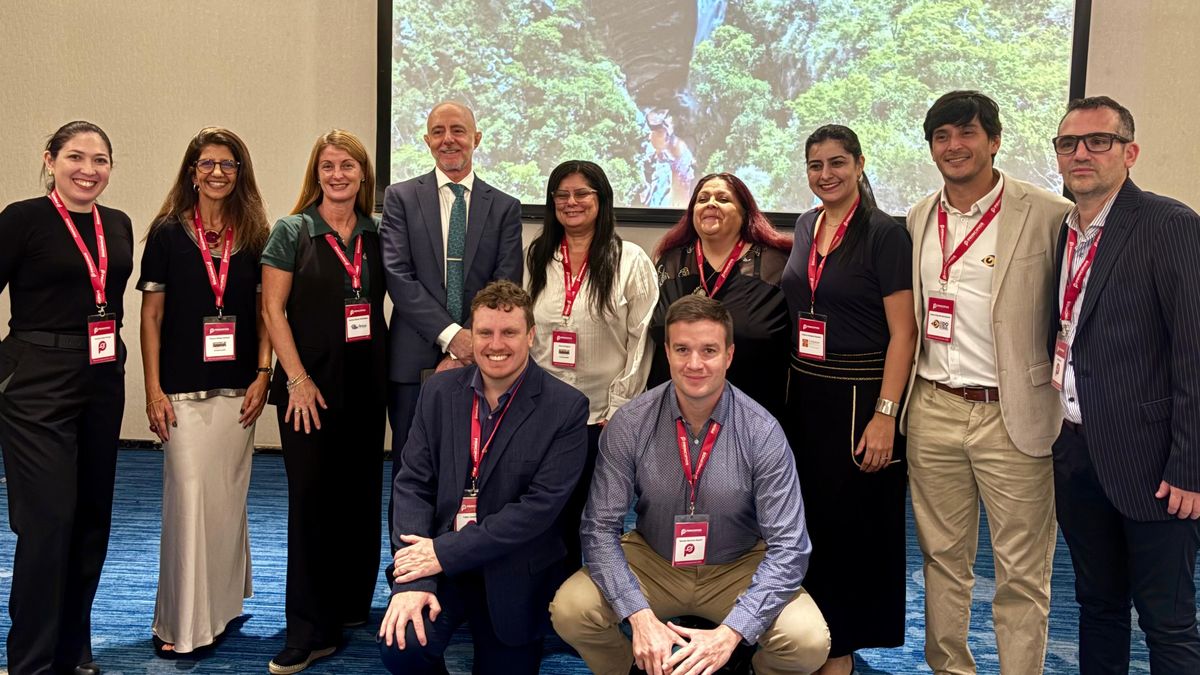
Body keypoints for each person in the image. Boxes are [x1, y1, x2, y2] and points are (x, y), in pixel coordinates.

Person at [551, 295, 831, 675]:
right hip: (654, 559)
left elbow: (790, 548)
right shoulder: (631, 423)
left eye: (709, 350)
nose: (694, 363)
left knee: (808, 642)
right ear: (666, 352)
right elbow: (599, 528)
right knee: (570, 611)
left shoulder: (762, 432)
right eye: (682, 349)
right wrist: (638, 616)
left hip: (737, 564)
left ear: (729, 355)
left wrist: (733, 632)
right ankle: (635, 667)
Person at [902, 91, 1071, 675]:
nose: (954, 146)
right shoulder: (920, 215)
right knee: (942, 560)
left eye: (967, 133)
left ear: (994, 140)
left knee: (1022, 570)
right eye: (942, 136)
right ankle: (950, 668)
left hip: (1015, 413)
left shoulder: (1048, 212)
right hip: (934, 407)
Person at [1049, 96, 1200, 673]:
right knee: (1097, 605)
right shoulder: (1062, 232)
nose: (1081, 153)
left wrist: (1189, 465)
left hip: (1156, 462)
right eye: (1068, 144)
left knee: (1168, 621)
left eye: (1098, 142)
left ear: (1129, 153)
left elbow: (1193, 352)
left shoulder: (1169, 224)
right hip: (1078, 450)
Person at [378, 280, 589, 674]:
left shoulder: (566, 409)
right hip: (440, 565)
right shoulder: (438, 391)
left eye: (509, 332)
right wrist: (412, 580)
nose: (496, 344)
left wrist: (444, 552)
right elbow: (412, 484)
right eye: (485, 333)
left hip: (513, 569)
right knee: (402, 645)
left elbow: (538, 510)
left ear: (530, 335)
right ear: (470, 336)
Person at [780, 124, 916, 675]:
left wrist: (886, 417)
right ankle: (808, 639)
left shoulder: (885, 234)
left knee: (850, 530)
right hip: (805, 395)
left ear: (859, 165)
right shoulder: (807, 225)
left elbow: (904, 334)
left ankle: (840, 650)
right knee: (804, 522)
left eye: (837, 163)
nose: (826, 175)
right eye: (815, 165)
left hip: (861, 399)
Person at [0, 121, 134, 675]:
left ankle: (72, 648)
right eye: (75, 157)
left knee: (90, 518)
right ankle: (30, 660)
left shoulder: (118, 224)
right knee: (47, 520)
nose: (88, 169)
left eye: (100, 160)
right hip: (36, 380)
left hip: (102, 376)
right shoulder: (22, 219)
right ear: (49, 159)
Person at [137, 127, 272, 657]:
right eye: (207, 163)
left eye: (229, 164)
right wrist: (152, 390)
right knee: (190, 497)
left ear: (241, 173)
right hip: (182, 393)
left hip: (239, 391)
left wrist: (264, 374)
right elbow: (151, 316)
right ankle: (184, 624)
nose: (218, 173)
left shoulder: (255, 233)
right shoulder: (168, 234)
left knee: (224, 501)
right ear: (192, 170)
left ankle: (222, 606)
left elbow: (265, 314)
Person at [261, 129, 389, 674]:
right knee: (312, 502)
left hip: (367, 382)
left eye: (348, 167)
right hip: (308, 388)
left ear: (364, 176)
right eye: (328, 166)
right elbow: (272, 311)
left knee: (360, 494)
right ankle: (309, 629)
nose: (338, 175)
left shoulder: (377, 233)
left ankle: (350, 605)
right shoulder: (292, 231)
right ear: (316, 173)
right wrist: (296, 379)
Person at [379, 101, 523, 531]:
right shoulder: (401, 198)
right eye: (438, 131)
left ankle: (461, 567)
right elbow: (398, 276)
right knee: (412, 474)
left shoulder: (504, 207)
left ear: (476, 139)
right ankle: (407, 575)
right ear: (426, 142)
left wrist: (468, 348)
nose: (448, 140)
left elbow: (505, 283)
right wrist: (451, 337)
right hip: (413, 364)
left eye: (458, 130)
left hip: (485, 363)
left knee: (475, 471)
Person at [525, 160, 658, 570]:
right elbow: (526, 328)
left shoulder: (630, 260)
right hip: (543, 411)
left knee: (597, 516)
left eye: (583, 193)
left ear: (601, 200)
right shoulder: (539, 254)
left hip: (601, 416)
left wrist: (620, 408)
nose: (571, 202)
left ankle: (598, 600)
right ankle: (550, 595)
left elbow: (642, 340)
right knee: (546, 512)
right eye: (562, 195)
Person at [648, 172, 792, 419]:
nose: (711, 203)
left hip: (752, 418)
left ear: (745, 212)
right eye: (702, 199)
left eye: (722, 198)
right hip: (674, 414)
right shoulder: (671, 262)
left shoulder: (775, 267)